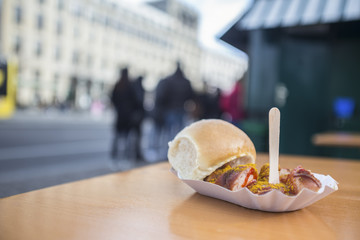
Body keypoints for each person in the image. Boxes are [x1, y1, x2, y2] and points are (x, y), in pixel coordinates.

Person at [154, 61, 194, 138]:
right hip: (181, 108)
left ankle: (170, 147)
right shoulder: (186, 82)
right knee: (179, 131)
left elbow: (164, 95)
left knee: (169, 131)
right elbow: (191, 95)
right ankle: (176, 147)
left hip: (170, 108)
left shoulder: (169, 80)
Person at [110, 67, 138, 159]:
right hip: (128, 116)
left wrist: (118, 108)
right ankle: (125, 157)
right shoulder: (130, 85)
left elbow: (113, 98)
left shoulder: (118, 85)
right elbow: (135, 101)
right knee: (126, 138)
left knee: (117, 137)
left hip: (120, 114)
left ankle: (114, 156)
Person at [131, 75, 145, 161]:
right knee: (137, 136)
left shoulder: (133, 87)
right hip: (137, 115)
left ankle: (133, 153)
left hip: (133, 115)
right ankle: (136, 153)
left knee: (133, 136)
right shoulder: (139, 89)